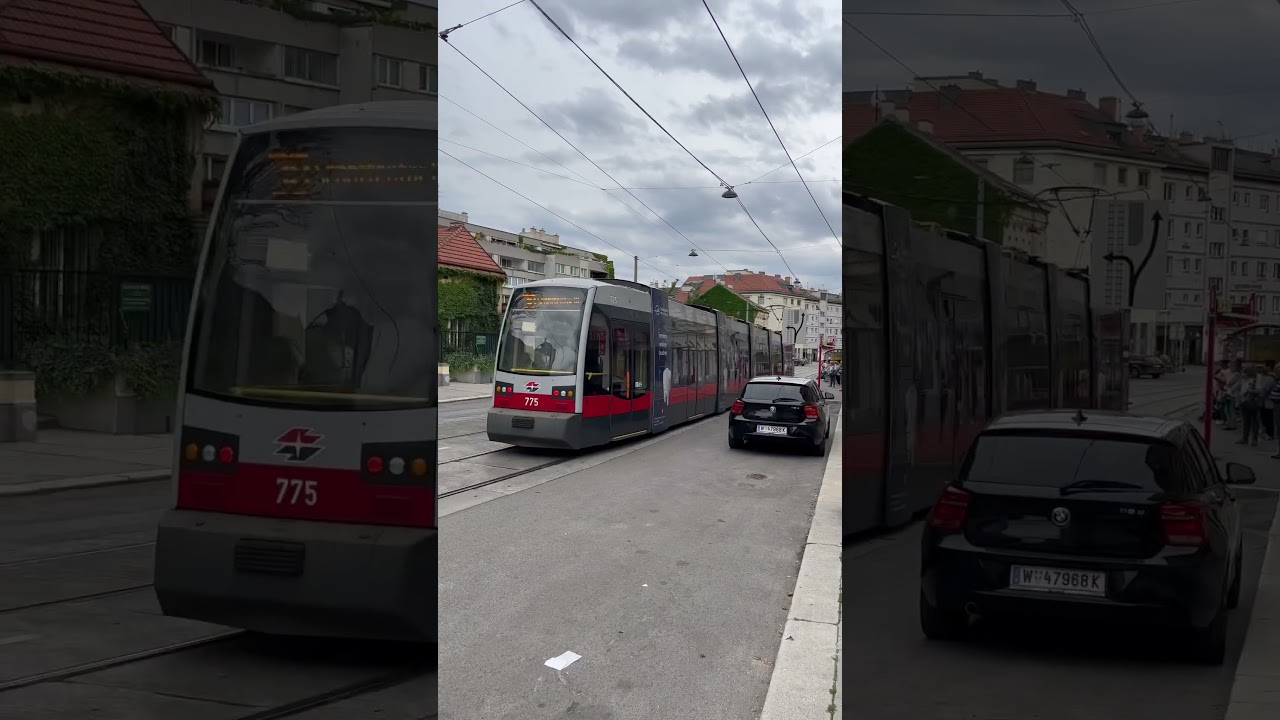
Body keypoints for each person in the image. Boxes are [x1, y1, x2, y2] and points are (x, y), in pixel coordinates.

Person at [1237, 364, 1263, 447]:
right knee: (1245, 421)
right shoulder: (1244, 378)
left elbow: (1259, 390)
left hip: (1252, 402)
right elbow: (1240, 388)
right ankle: (1244, 438)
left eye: (1246, 371)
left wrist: (1250, 390)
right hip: (1243, 401)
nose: (1245, 373)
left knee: (1254, 421)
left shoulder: (1257, 378)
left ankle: (1254, 440)